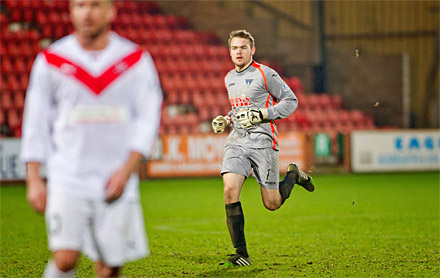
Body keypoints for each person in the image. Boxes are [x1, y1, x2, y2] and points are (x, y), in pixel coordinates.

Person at [20, 0, 162, 277]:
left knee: (109, 266)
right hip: (67, 176)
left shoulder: (135, 60)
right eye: (80, 5)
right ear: (71, 11)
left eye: (95, 4)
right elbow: (35, 121)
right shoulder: (51, 60)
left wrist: (126, 171)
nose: (87, 12)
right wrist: (34, 178)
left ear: (111, 11)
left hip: (116, 177)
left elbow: (147, 119)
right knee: (64, 258)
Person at [211, 29, 315, 267]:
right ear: (230, 51)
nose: (239, 52)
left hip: (263, 141)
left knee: (272, 203)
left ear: (252, 50)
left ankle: (293, 174)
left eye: (243, 47)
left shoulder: (264, 73)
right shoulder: (229, 78)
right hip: (237, 141)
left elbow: (291, 102)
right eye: (235, 48)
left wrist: (263, 114)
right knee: (229, 189)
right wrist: (227, 119)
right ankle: (241, 254)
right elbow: (239, 109)